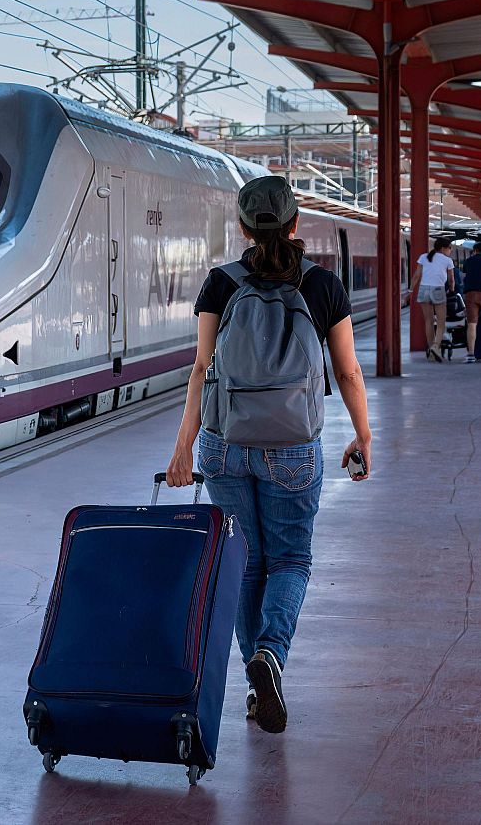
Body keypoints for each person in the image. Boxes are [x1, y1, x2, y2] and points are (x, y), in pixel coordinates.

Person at [166, 174, 372, 736]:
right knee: (291, 562)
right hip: (293, 450)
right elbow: (349, 371)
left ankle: (256, 689)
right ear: (295, 223)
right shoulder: (323, 285)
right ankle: (271, 657)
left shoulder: (220, 283)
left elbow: (202, 372)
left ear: (241, 226)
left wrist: (184, 448)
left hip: (225, 445)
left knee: (248, 565)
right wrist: (363, 435)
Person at [409, 237, 456, 362]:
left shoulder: (423, 257)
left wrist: (410, 290)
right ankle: (436, 346)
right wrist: (451, 289)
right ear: (443, 248)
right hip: (438, 290)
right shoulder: (447, 260)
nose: (450, 250)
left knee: (428, 321)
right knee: (441, 322)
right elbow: (451, 279)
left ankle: (430, 351)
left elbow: (417, 275)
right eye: (449, 248)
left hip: (424, 289)